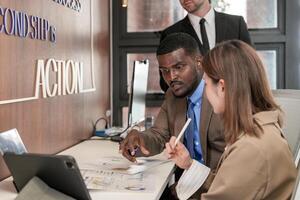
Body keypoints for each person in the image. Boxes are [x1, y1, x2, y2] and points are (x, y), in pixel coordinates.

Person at [165, 40, 297, 200]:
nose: (205, 92)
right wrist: (189, 164)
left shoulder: (250, 148)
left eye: (206, 84)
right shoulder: (261, 131)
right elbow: (229, 186)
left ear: (222, 87)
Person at [119, 33, 225, 192]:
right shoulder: (173, 94)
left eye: (178, 67)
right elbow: (159, 135)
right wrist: (139, 139)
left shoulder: (222, 94)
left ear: (199, 62)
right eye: (164, 71)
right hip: (188, 187)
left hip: (220, 188)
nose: (171, 77)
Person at [159, 0, 252, 92]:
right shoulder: (170, 34)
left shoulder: (236, 24)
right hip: (192, 105)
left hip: (236, 101)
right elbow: (166, 83)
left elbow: (251, 67)